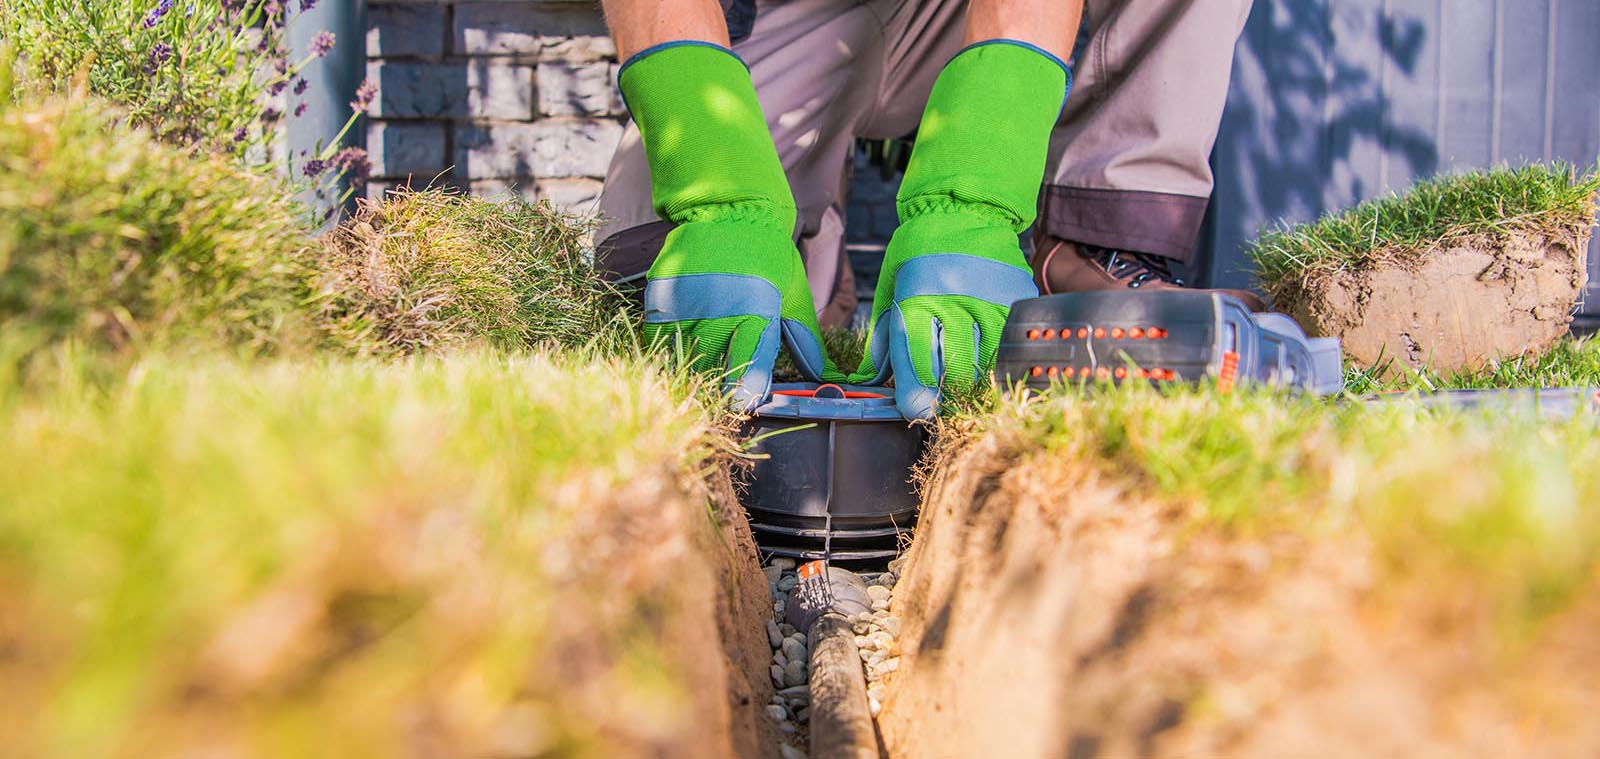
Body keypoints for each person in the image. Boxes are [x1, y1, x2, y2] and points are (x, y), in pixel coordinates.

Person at [595, 0, 1261, 420]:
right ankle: (809, 254)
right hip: (783, 16)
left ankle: (1091, 240)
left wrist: (973, 198)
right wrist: (722, 196)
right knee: (647, 264)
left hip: (962, 16)